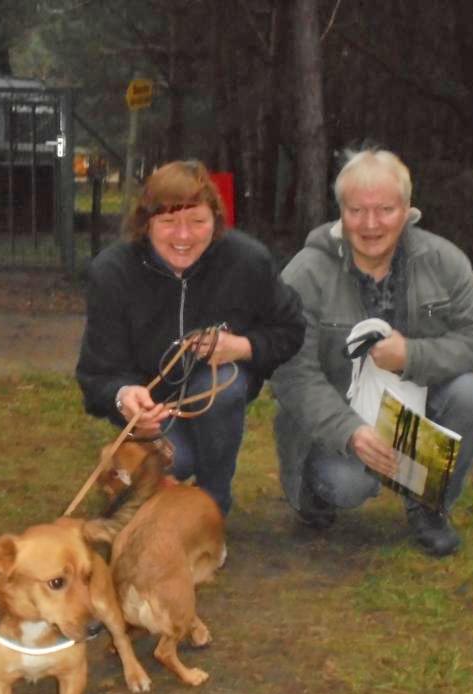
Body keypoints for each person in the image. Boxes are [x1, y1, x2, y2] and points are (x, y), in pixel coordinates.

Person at [270, 147, 473, 557]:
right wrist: (350, 432)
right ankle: (314, 492)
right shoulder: (305, 272)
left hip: (412, 409)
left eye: (385, 210)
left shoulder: (444, 261)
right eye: (356, 211)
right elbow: (291, 373)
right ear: (341, 212)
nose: (370, 224)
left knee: (472, 394)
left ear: (407, 210)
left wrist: (412, 356)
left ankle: (428, 504)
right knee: (347, 485)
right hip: (335, 422)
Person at [76, 160, 305, 515]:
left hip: (215, 397)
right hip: (153, 410)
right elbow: (97, 373)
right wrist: (124, 398)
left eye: (197, 221)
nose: (183, 236)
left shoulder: (247, 261)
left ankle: (214, 502)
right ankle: (133, 471)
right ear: (146, 224)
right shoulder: (112, 272)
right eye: (168, 222)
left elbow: (290, 328)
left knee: (225, 384)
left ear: (216, 221)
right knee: (174, 463)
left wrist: (241, 347)